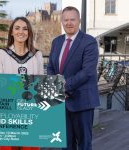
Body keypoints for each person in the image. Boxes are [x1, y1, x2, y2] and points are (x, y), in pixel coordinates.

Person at [47, 6, 100, 150]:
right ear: (62, 22)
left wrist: (63, 86)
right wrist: (56, 86)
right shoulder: (56, 42)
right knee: (65, 144)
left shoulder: (89, 42)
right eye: (65, 20)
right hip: (61, 102)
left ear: (79, 21)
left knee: (84, 144)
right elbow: (51, 66)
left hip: (83, 101)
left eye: (72, 19)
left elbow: (87, 71)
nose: (69, 23)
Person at [0, 17, 44, 150]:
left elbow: (40, 85)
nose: (21, 32)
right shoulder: (1, 54)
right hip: (8, 111)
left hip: (30, 110)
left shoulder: (36, 55)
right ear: (11, 32)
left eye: (25, 28)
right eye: (17, 28)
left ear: (29, 33)